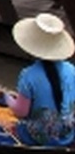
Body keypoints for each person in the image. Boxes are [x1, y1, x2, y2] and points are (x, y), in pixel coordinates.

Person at [8, 13, 75, 146]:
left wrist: (6, 98)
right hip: (69, 134)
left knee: (2, 124)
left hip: (38, 136)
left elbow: (21, 112)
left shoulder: (28, 75)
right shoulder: (71, 70)